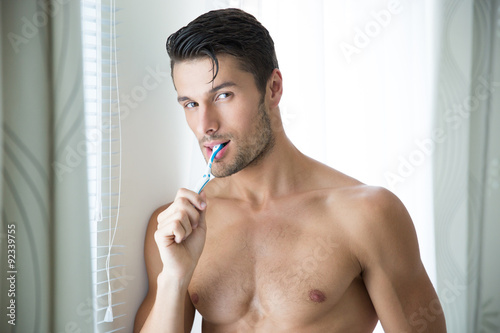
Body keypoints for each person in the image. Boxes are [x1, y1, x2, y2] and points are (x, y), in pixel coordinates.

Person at [134, 8, 447, 333]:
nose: (205, 125)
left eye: (223, 95)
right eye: (190, 104)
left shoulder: (368, 214)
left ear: (273, 88)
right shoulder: (179, 228)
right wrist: (174, 278)